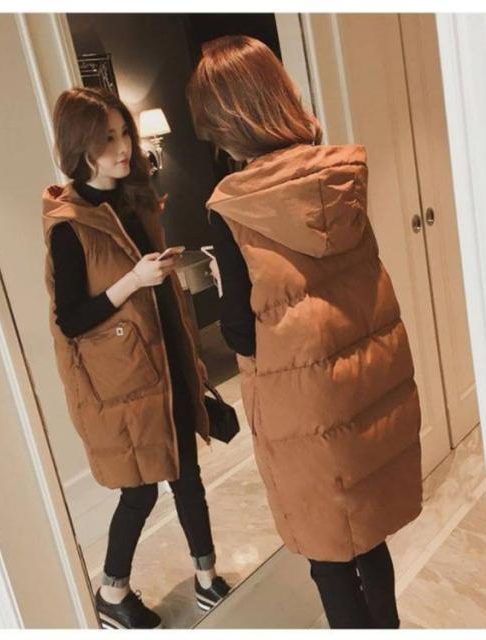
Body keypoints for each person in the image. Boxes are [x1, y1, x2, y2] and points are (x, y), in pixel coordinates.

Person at [187, 35, 423, 629]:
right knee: (367, 534)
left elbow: (240, 333)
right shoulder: (339, 175)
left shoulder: (233, 207)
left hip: (305, 406)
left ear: (228, 120)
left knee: (328, 554)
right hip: (364, 378)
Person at [41, 87, 231, 629]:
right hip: (124, 383)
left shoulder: (135, 200)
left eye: (124, 132)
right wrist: (134, 280)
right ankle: (112, 592)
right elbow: (71, 319)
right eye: (107, 138)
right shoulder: (69, 225)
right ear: (79, 145)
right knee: (140, 491)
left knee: (188, 477)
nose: (123, 147)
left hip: (167, 364)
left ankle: (206, 578)